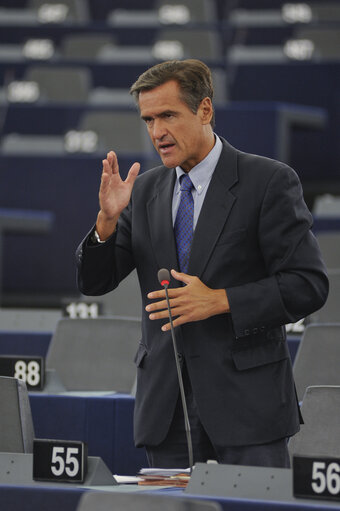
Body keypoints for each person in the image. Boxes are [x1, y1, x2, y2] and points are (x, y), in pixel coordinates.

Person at [76, 59, 328, 469]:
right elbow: (95, 281)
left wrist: (221, 300)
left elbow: (308, 285)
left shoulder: (268, 181)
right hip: (167, 412)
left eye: (168, 115)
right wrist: (105, 222)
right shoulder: (143, 192)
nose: (157, 131)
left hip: (248, 410)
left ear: (205, 110)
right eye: (149, 120)